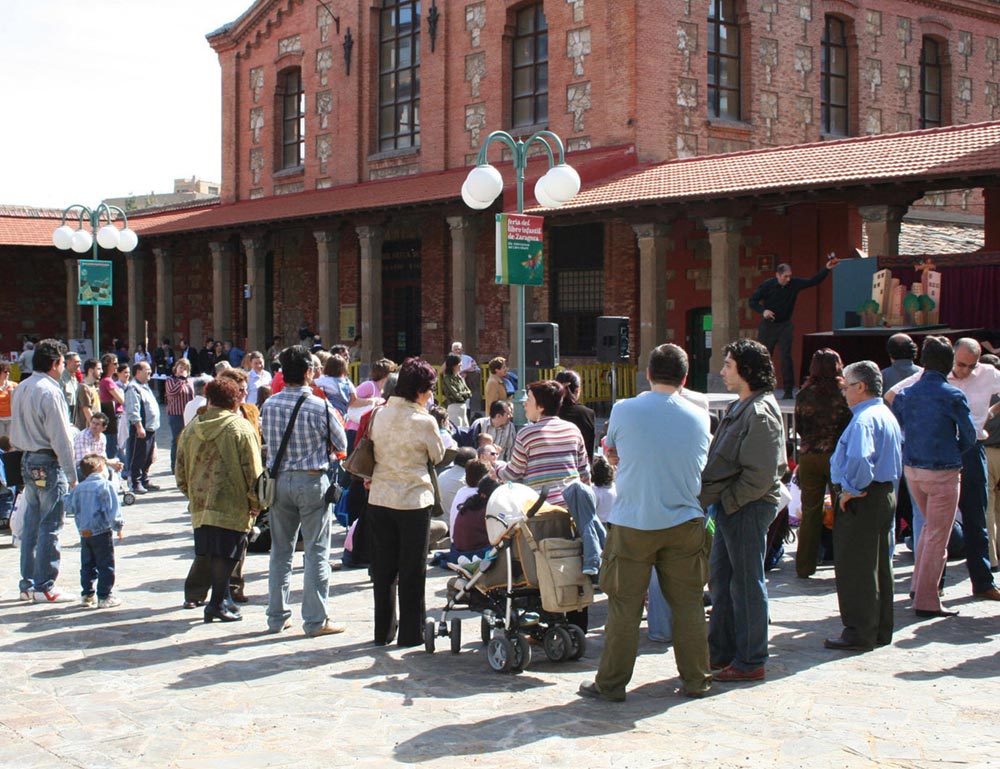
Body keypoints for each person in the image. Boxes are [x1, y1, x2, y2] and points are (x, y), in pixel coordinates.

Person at [579, 344, 713, 703]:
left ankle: (611, 683)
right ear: (685, 379)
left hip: (634, 520)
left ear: (649, 374)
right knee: (688, 605)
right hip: (685, 519)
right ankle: (697, 678)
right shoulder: (700, 415)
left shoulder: (625, 408)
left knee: (625, 605)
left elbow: (613, 451)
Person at [700, 339, 787, 682]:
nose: (722, 372)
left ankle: (751, 660)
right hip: (730, 507)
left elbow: (762, 475)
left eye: (728, 366)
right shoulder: (744, 406)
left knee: (747, 584)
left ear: (746, 371)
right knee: (721, 579)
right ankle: (722, 653)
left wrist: (731, 501)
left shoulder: (761, 412)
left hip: (746, 508)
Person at [888, 337, 1000, 601]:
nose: (965, 371)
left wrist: (990, 414)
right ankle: (934, 585)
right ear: (952, 359)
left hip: (972, 449)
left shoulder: (988, 374)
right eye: (960, 365)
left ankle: (982, 581)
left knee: (976, 517)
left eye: (971, 366)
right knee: (938, 524)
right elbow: (892, 395)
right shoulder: (935, 376)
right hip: (941, 453)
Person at [261, 345, 347, 636]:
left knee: (280, 552)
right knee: (316, 551)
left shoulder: (269, 405)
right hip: (311, 481)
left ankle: (276, 616)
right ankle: (315, 620)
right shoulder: (319, 406)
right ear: (309, 372)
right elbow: (342, 444)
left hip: (279, 481)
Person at [367, 357, 446, 646]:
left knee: (384, 569)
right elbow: (436, 455)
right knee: (412, 570)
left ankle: (383, 631)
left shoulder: (379, 414)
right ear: (420, 390)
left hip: (380, 496)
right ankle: (411, 634)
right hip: (413, 499)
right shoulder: (424, 421)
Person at [826, 361, 902, 650]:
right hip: (882, 495)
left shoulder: (864, 419)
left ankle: (859, 631)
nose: (844, 393)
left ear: (860, 387)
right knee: (879, 565)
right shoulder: (883, 414)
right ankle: (879, 629)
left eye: (846, 387)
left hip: (864, 498)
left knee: (857, 567)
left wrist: (851, 490)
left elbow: (859, 458)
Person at [176, 377, 263, 623]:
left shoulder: (191, 428)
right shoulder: (240, 428)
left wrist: (192, 493)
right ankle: (215, 604)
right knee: (228, 555)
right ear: (235, 401)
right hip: (232, 503)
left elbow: (180, 469)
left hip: (202, 504)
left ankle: (222, 599)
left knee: (211, 553)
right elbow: (253, 470)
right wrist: (257, 501)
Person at [497, 380, 601, 576]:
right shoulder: (572, 429)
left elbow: (513, 473)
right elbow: (584, 473)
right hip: (572, 507)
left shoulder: (527, 433)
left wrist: (496, 469)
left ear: (541, 406)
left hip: (541, 509)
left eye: (529, 400)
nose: (524, 404)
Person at [10, 338, 78, 602]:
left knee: (31, 524)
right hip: (48, 461)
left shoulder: (23, 387)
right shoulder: (50, 391)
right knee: (50, 524)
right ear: (54, 364)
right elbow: (60, 435)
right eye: (62, 363)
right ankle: (45, 584)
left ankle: (27, 583)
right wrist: (71, 474)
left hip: (27, 457)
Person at [793, 348, 852, 578]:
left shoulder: (804, 394)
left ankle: (804, 566)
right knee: (842, 510)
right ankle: (845, 563)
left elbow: (799, 427)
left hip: (809, 456)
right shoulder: (844, 393)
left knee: (810, 512)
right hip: (837, 456)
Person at [749, 254, 839, 400]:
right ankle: (762, 388)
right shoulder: (767, 285)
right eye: (785, 276)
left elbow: (813, 281)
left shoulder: (794, 284)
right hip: (768, 326)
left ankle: (788, 390)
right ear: (777, 275)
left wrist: (827, 269)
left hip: (785, 325)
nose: (788, 279)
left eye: (790, 276)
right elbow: (752, 301)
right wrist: (763, 311)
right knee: (764, 357)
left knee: (786, 358)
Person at [66, 454, 123, 608]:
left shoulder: (78, 489)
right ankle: (104, 596)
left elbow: (69, 507)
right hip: (101, 531)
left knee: (87, 565)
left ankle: (87, 594)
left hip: (84, 532)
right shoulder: (105, 485)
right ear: (99, 467)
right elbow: (112, 509)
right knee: (105, 565)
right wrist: (118, 526)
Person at [123, 361, 161, 495]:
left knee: (148, 457)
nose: (150, 372)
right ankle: (135, 482)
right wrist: (138, 426)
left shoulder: (145, 386)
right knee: (138, 456)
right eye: (147, 370)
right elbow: (133, 409)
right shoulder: (133, 388)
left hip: (150, 427)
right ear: (138, 371)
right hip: (140, 429)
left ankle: (144, 479)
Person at [555, 369, 596, 460]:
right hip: (578, 467)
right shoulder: (587, 414)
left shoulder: (548, 412)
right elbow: (589, 447)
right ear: (577, 390)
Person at [165, 358, 194, 473]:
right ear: (176, 368)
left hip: (189, 414)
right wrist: (181, 380)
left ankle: (187, 464)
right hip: (176, 414)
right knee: (177, 440)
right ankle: (175, 466)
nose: (183, 370)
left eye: (185, 368)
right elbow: (172, 392)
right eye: (181, 367)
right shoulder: (171, 380)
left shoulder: (190, 380)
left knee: (189, 440)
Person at [98, 353, 123, 461]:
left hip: (110, 415)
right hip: (111, 416)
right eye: (115, 364)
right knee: (112, 448)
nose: (117, 366)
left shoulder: (106, 380)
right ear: (108, 365)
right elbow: (121, 399)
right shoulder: (107, 381)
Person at [440, 354, 472, 428]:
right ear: (454, 365)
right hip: (454, 407)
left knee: (465, 430)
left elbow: (469, 392)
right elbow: (456, 395)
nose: (461, 364)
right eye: (459, 363)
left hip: (463, 407)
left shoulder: (459, 377)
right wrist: (464, 395)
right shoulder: (447, 378)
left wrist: (463, 394)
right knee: (456, 430)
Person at [72, 358, 102, 432]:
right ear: (91, 370)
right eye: (98, 369)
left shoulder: (93, 386)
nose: (101, 371)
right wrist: (95, 428)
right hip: (86, 431)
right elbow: (86, 410)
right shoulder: (84, 387)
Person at [0, 362, 19, 441]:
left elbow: (19, 401)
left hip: (11, 418)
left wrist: (12, 393)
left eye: (8, 371)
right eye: (5, 371)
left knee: (10, 441)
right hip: (0, 419)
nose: (7, 373)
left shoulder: (14, 385)